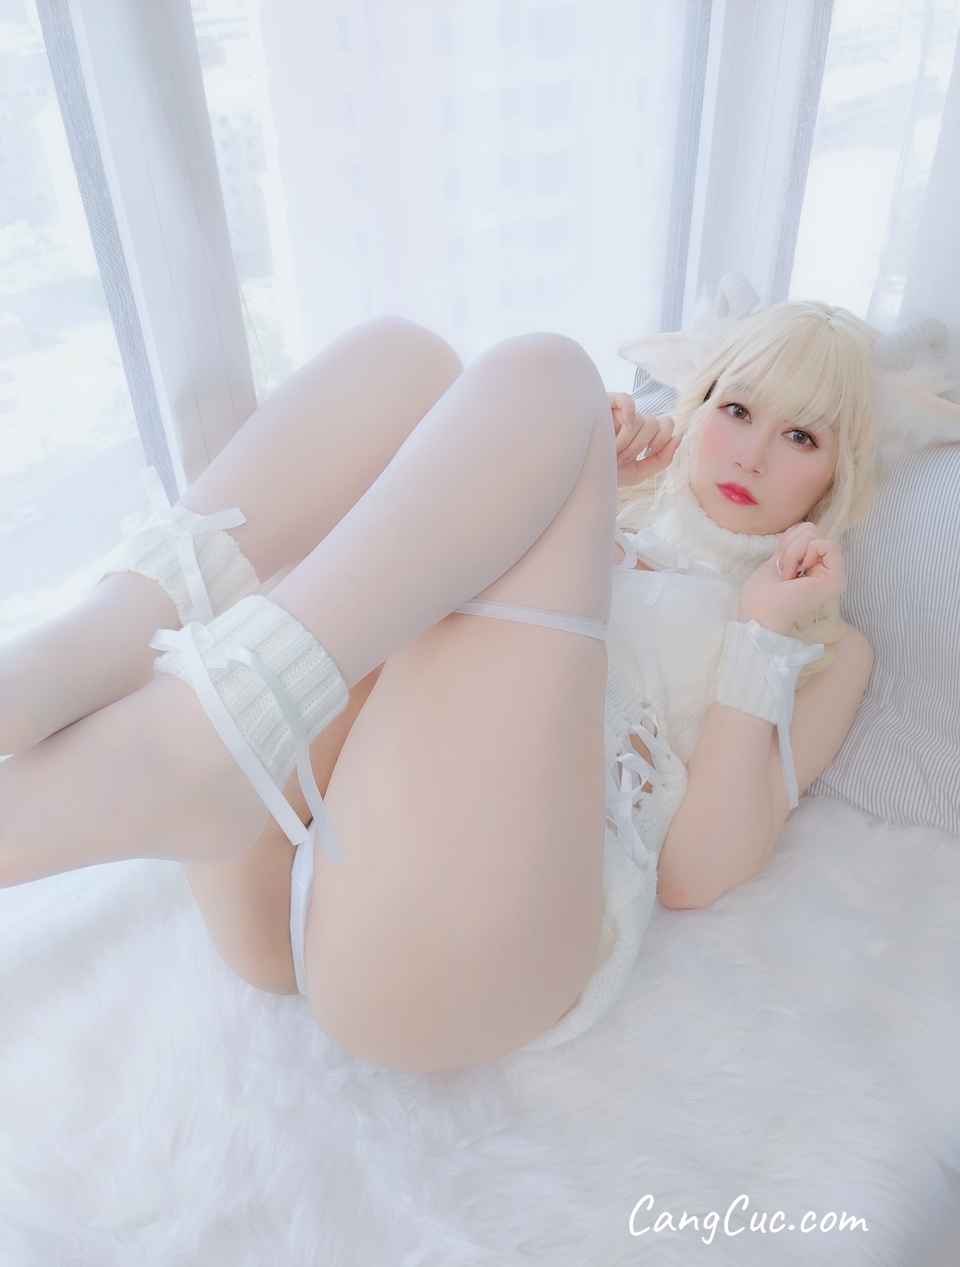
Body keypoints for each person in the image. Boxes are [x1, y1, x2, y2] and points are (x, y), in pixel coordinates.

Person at [0, 303, 878, 1074]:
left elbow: (695, 871)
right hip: (283, 858)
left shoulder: (823, 647)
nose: (752, 455)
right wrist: (584, 483)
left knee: (547, 372)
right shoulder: (616, 509)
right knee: (406, 359)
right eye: (737, 410)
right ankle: (93, 646)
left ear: (839, 475)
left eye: (800, 437)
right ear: (698, 407)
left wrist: (759, 637)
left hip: (454, 953)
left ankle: (201, 733)